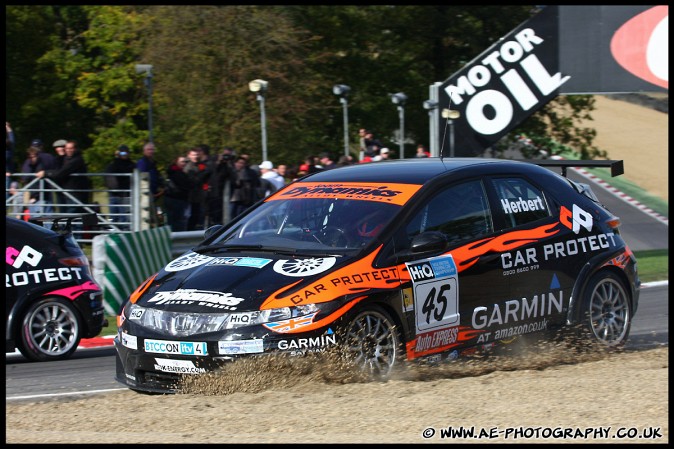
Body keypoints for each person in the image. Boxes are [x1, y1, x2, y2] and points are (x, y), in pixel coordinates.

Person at [36, 140, 90, 216]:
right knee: (65, 215)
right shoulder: (64, 158)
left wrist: (46, 173)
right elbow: (58, 169)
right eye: (67, 148)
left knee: (73, 215)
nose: (68, 150)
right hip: (64, 191)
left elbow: (61, 172)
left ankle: (74, 228)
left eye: (71, 148)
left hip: (74, 192)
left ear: (75, 149)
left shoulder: (76, 160)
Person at [104, 145, 136, 230]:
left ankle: (124, 237)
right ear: (119, 153)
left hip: (125, 195)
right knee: (113, 218)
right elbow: (108, 177)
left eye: (126, 152)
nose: (124, 154)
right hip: (114, 195)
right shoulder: (113, 164)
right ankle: (113, 236)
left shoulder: (131, 165)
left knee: (124, 219)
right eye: (122, 152)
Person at [20, 145, 58, 216]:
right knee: (35, 219)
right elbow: (25, 179)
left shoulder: (42, 165)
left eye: (34, 156)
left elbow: (39, 183)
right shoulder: (27, 165)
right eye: (30, 157)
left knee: (46, 218)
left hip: (43, 196)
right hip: (33, 197)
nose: (32, 158)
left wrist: (35, 197)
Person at [184, 146, 213, 231]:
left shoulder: (200, 165)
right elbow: (194, 180)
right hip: (190, 197)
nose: (195, 157)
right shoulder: (188, 167)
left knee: (199, 217)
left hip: (199, 196)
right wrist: (204, 173)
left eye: (197, 155)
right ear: (189, 155)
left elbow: (207, 176)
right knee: (191, 217)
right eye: (193, 155)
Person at [136, 142, 164, 226]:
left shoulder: (153, 163)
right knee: (148, 216)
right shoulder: (142, 162)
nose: (151, 151)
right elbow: (142, 177)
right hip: (146, 193)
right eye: (149, 149)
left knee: (156, 215)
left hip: (154, 193)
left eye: (152, 149)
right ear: (144, 151)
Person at [163, 155, 194, 232]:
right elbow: (187, 185)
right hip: (176, 199)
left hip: (177, 199)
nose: (184, 164)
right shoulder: (177, 173)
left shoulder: (177, 172)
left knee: (175, 221)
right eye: (182, 162)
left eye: (185, 162)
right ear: (177, 162)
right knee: (177, 221)